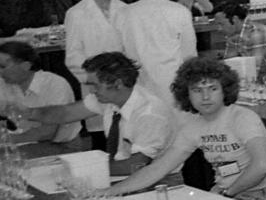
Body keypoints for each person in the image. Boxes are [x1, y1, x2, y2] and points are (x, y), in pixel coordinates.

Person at [110, 57, 266, 200]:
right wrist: (109, 192)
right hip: (222, 193)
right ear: (186, 94)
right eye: (197, 90)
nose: (205, 97)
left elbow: (262, 166)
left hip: (253, 195)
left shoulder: (242, 118)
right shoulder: (193, 126)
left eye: (212, 89)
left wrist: (228, 193)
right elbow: (157, 169)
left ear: (224, 90)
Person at [12, 51, 175, 173]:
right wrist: (29, 113)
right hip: (121, 173)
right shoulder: (109, 98)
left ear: (118, 84)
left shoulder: (149, 113)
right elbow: (66, 113)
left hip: (158, 181)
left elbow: (137, 165)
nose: (91, 91)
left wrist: (83, 170)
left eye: (95, 85)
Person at [115, 0, 199, 101]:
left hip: (138, 83)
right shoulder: (179, 11)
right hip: (172, 83)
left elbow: (118, 51)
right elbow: (189, 53)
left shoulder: (124, 12)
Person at [0, 42, 79, 143]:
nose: (0, 72)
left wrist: (6, 140)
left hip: (61, 145)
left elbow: (49, 132)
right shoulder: (3, 84)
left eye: (3, 67)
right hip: (17, 143)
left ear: (25, 66)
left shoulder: (55, 84)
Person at [64, 0, 126, 84]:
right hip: (95, 80)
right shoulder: (76, 13)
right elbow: (73, 54)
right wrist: (93, 77)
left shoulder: (124, 8)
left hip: (122, 76)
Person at [213, 1, 266, 76]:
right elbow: (228, 64)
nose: (219, 29)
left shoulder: (256, 34)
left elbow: (253, 70)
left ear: (234, 19)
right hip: (254, 73)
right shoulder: (232, 32)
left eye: (221, 24)